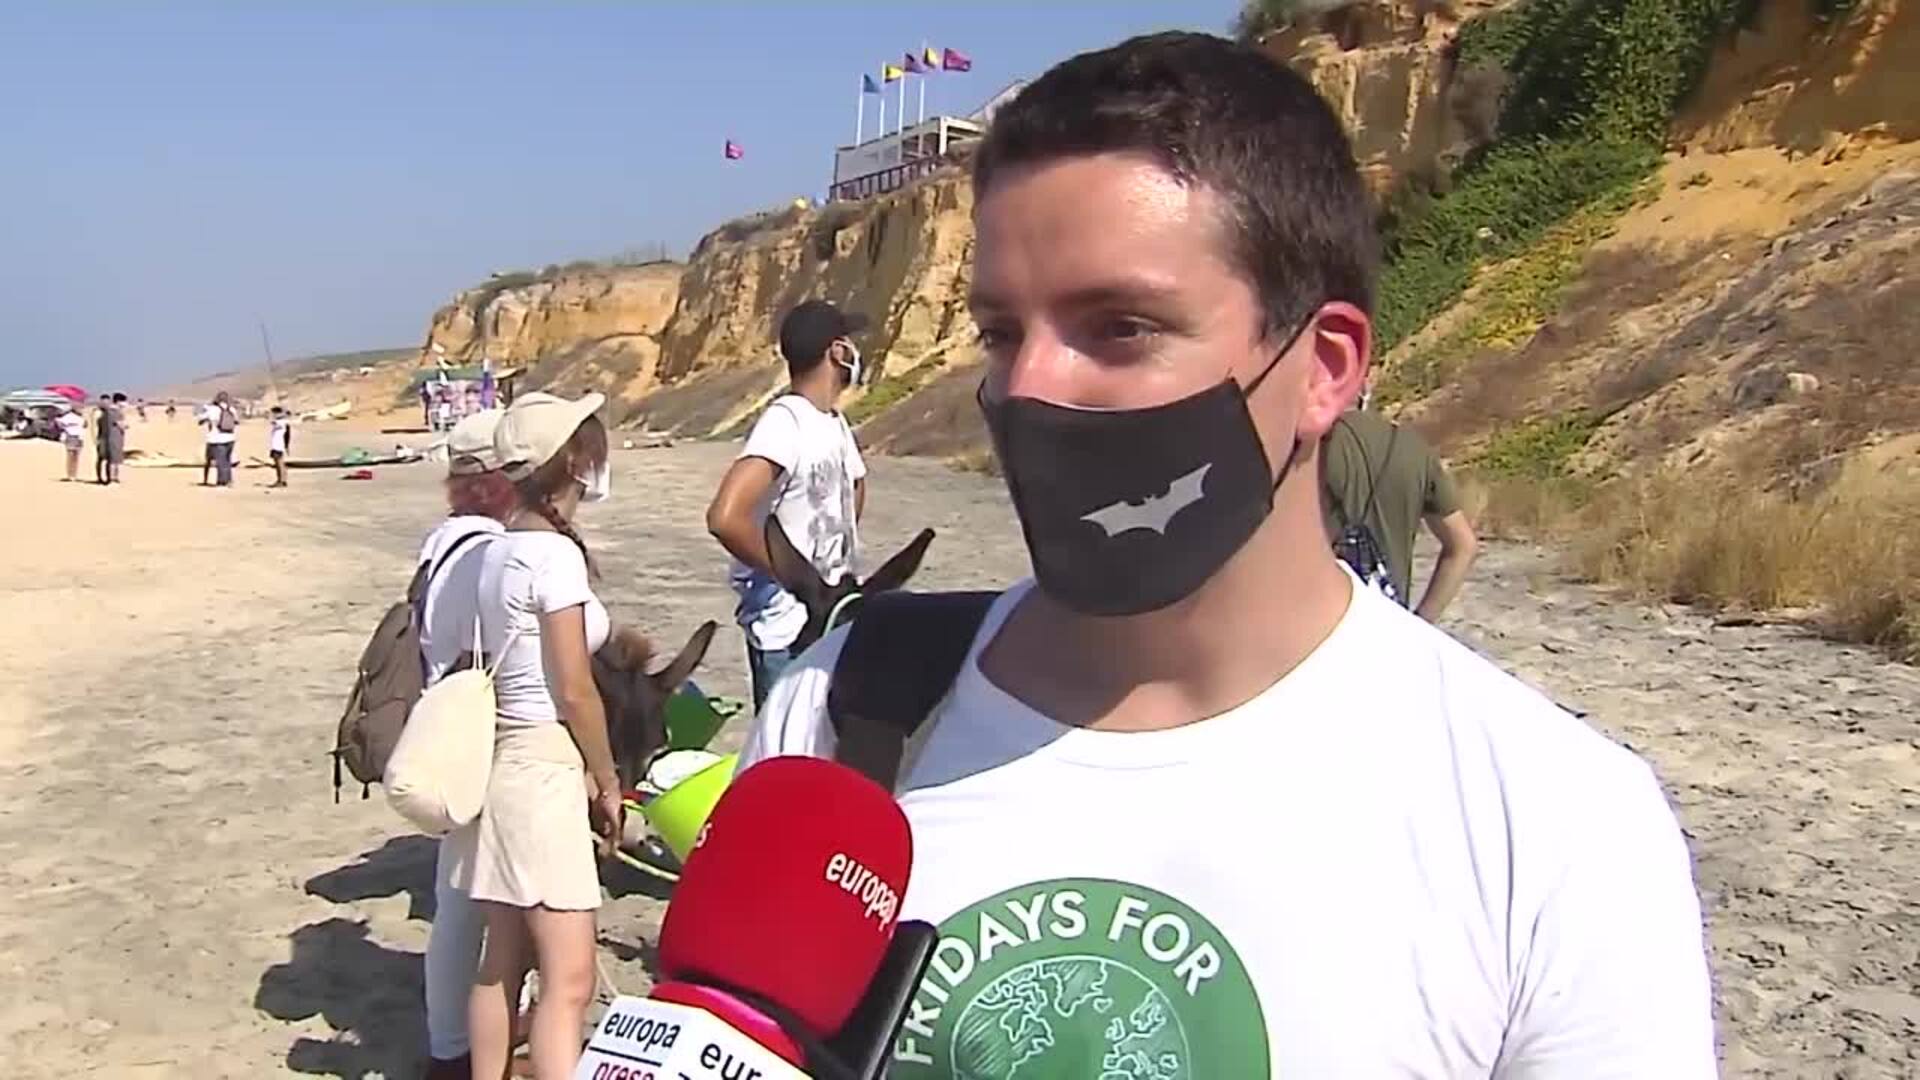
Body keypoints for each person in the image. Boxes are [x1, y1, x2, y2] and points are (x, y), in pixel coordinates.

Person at [737, 32, 1713, 1078]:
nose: (1028, 391)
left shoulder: (1554, 824)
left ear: (1325, 369)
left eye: (1120, 327)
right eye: (1003, 333)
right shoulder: (846, 714)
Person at [450, 391, 621, 1080]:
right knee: (569, 980)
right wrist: (608, 778)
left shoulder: (498, 547)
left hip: (502, 759)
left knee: (501, 961)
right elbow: (575, 687)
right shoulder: (552, 558)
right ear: (576, 461)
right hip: (545, 765)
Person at [414, 409, 517, 1080]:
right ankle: (457, 1050)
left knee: (458, 898)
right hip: (485, 737)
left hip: (450, 729)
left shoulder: (445, 538)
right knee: (473, 905)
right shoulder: (487, 549)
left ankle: (449, 1046)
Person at [705, 299, 870, 710]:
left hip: (830, 619)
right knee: (788, 755)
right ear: (837, 352)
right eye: (848, 342)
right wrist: (795, 575)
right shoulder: (786, 422)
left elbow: (855, 485)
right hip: (786, 632)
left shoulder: (831, 421)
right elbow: (726, 517)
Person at [1321, 399, 1479, 619]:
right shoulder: (1413, 447)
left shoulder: (1308, 447)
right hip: (1390, 622)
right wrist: (1421, 622)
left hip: (1320, 627)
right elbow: (1464, 546)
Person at [200, 392, 238, 487]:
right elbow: (236, 421)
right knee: (227, 461)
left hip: (216, 439)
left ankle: (221, 481)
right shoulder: (232, 409)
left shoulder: (212, 410)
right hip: (230, 438)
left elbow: (201, 419)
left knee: (220, 461)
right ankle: (228, 480)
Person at [56, 405, 85, 481]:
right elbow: (59, 423)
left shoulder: (80, 418)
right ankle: (70, 474)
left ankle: (74, 474)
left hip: (78, 437)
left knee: (76, 457)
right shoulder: (68, 417)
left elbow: (84, 425)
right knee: (70, 457)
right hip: (71, 437)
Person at [267, 406, 293, 488]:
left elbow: (273, 421)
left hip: (278, 446)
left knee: (279, 464)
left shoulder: (281, 422)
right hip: (276, 445)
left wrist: (280, 414)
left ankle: (281, 480)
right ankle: (281, 480)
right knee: (279, 463)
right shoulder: (281, 422)